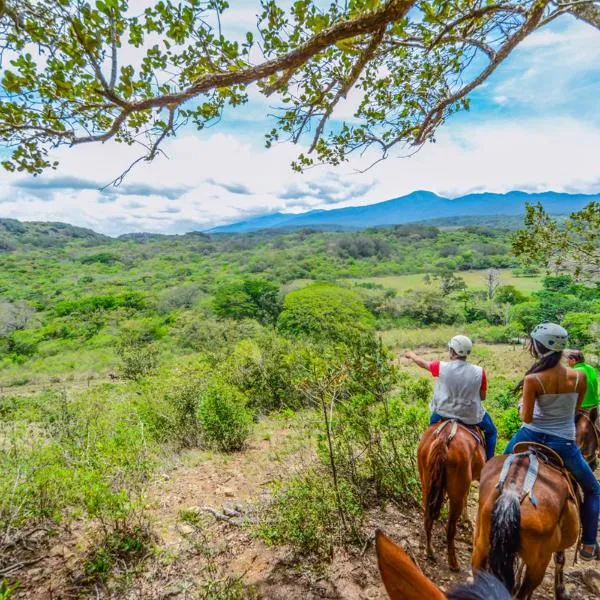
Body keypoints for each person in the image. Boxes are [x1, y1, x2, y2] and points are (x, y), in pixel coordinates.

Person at [505, 323, 600, 560]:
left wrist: (521, 408)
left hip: (529, 437)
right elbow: (575, 410)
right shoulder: (578, 376)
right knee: (593, 489)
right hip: (564, 443)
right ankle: (589, 544)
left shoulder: (533, 379)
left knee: (494, 466)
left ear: (538, 348)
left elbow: (526, 417)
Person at [405, 335, 497, 461]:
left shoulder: (441, 367)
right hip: (470, 416)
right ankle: (488, 463)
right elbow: (483, 396)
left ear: (452, 351)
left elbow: (423, 363)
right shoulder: (480, 372)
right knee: (491, 432)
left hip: (443, 413)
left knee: (431, 430)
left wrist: (412, 355)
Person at [566, 349, 599, 423]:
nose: (567, 362)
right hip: (595, 406)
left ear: (573, 360)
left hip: (582, 408)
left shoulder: (575, 372)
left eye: (568, 359)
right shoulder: (591, 368)